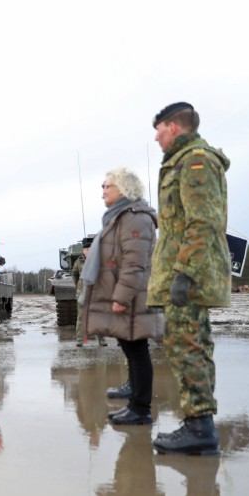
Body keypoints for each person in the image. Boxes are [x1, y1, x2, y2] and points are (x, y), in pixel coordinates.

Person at [148, 102, 230, 456]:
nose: (156, 137)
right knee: (189, 346)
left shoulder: (196, 161)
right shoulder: (182, 161)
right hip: (182, 273)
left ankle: (199, 427)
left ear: (175, 127)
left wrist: (184, 273)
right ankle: (198, 422)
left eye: (160, 129)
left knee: (188, 347)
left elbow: (203, 221)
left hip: (189, 275)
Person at [80, 167, 160, 426]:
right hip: (125, 293)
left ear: (124, 189)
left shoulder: (134, 218)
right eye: (102, 186)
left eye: (108, 186)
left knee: (137, 351)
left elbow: (134, 263)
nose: (103, 191)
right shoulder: (120, 216)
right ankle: (135, 399)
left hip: (132, 295)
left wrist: (121, 296)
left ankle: (141, 408)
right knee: (130, 347)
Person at [73, 238, 108, 347]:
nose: (88, 251)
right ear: (83, 250)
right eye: (86, 249)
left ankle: (101, 339)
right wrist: (79, 287)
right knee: (81, 317)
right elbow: (75, 275)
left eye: (90, 249)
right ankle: (80, 339)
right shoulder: (78, 262)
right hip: (83, 293)